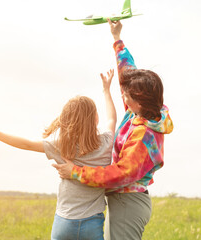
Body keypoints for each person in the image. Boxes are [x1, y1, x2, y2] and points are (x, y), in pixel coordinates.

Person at [52, 19, 174, 240]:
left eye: (127, 95)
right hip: (123, 202)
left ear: (140, 101)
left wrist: (76, 172)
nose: (123, 96)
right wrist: (117, 38)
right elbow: (128, 72)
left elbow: (120, 174)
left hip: (129, 204)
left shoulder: (144, 136)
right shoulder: (139, 111)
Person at [0, 69, 117, 240]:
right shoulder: (107, 143)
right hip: (92, 223)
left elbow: (26, 144)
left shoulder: (63, 147)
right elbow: (112, 119)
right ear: (95, 119)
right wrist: (106, 90)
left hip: (64, 223)